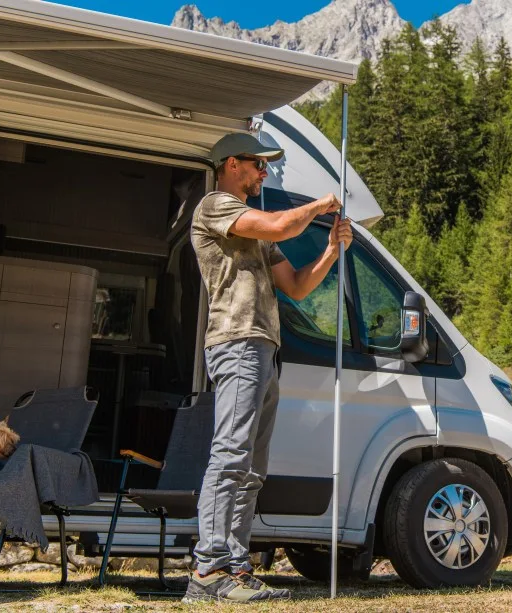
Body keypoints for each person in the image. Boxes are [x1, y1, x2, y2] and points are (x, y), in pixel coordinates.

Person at [183, 132, 352, 603]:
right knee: (231, 455)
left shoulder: (253, 233)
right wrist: (320, 206)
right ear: (232, 164)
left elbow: (296, 286)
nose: (263, 173)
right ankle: (209, 568)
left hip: (261, 347)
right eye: (258, 165)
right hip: (236, 344)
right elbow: (280, 227)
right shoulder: (216, 207)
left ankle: (234, 569)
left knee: (252, 466)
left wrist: (331, 252)